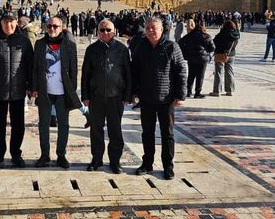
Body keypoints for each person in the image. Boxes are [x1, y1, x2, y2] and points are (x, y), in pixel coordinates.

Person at [131, 18, 187, 180]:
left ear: (162, 30)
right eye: (147, 28)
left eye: (153, 28)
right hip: (147, 99)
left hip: (167, 99)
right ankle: (147, 163)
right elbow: (134, 71)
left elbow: (181, 71)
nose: (150, 31)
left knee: (167, 134)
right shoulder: (141, 47)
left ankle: (168, 166)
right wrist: (133, 93)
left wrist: (180, 95)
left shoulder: (171, 46)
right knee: (147, 133)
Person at [0, 11, 33, 168]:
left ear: (16, 23)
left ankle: (16, 153)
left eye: (11, 22)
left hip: (18, 90)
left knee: (18, 124)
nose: (8, 25)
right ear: (1, 23)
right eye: (6, 22)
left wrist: (31, 87)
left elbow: (30, 66)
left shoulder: (24, 41)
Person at [81, 19, 131, 174]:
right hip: (96, 96)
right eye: (102, 30)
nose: (105, 33)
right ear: (97, 32)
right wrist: (85, 95)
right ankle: (96, 159)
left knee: (115, 129)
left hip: (116, 96)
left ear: (114, 31)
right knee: (96, 130)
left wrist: (127, 95)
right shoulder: (91, 49)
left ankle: (115, 161)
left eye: (108, 29)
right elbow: (85, 75)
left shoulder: (122, 49)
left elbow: (128, 73)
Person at [31, 16, 80, 169]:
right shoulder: (39, 44)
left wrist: (71, 90)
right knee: (43, 125)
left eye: (55, 26)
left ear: (62, 28)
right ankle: (44, 155)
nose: (52, 29)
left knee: (63, 125)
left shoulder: (70, 45)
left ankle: (61, 155)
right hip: (45, 91)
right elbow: (35, 68)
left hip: (62, 92)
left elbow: (73, 70)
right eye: (50, 26)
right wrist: (34, 88)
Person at [178, 21, 215, 99]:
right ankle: (197, 93)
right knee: (200, 76)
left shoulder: (189, 36)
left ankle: (188, 91)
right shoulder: (206, 36)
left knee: (191, 75)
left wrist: (186, 51)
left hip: (191, 58)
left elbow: (180, 42)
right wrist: (206, 51)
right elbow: (212, 47)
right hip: (202, 59)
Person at [210, 20, 240, 97]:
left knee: (219, 73)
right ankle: (230, 91)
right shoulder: (236, 35)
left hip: (220, 54)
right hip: (231, 55)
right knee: (230, 72)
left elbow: (214, 43)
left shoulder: (222, 34)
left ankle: (217, 91)